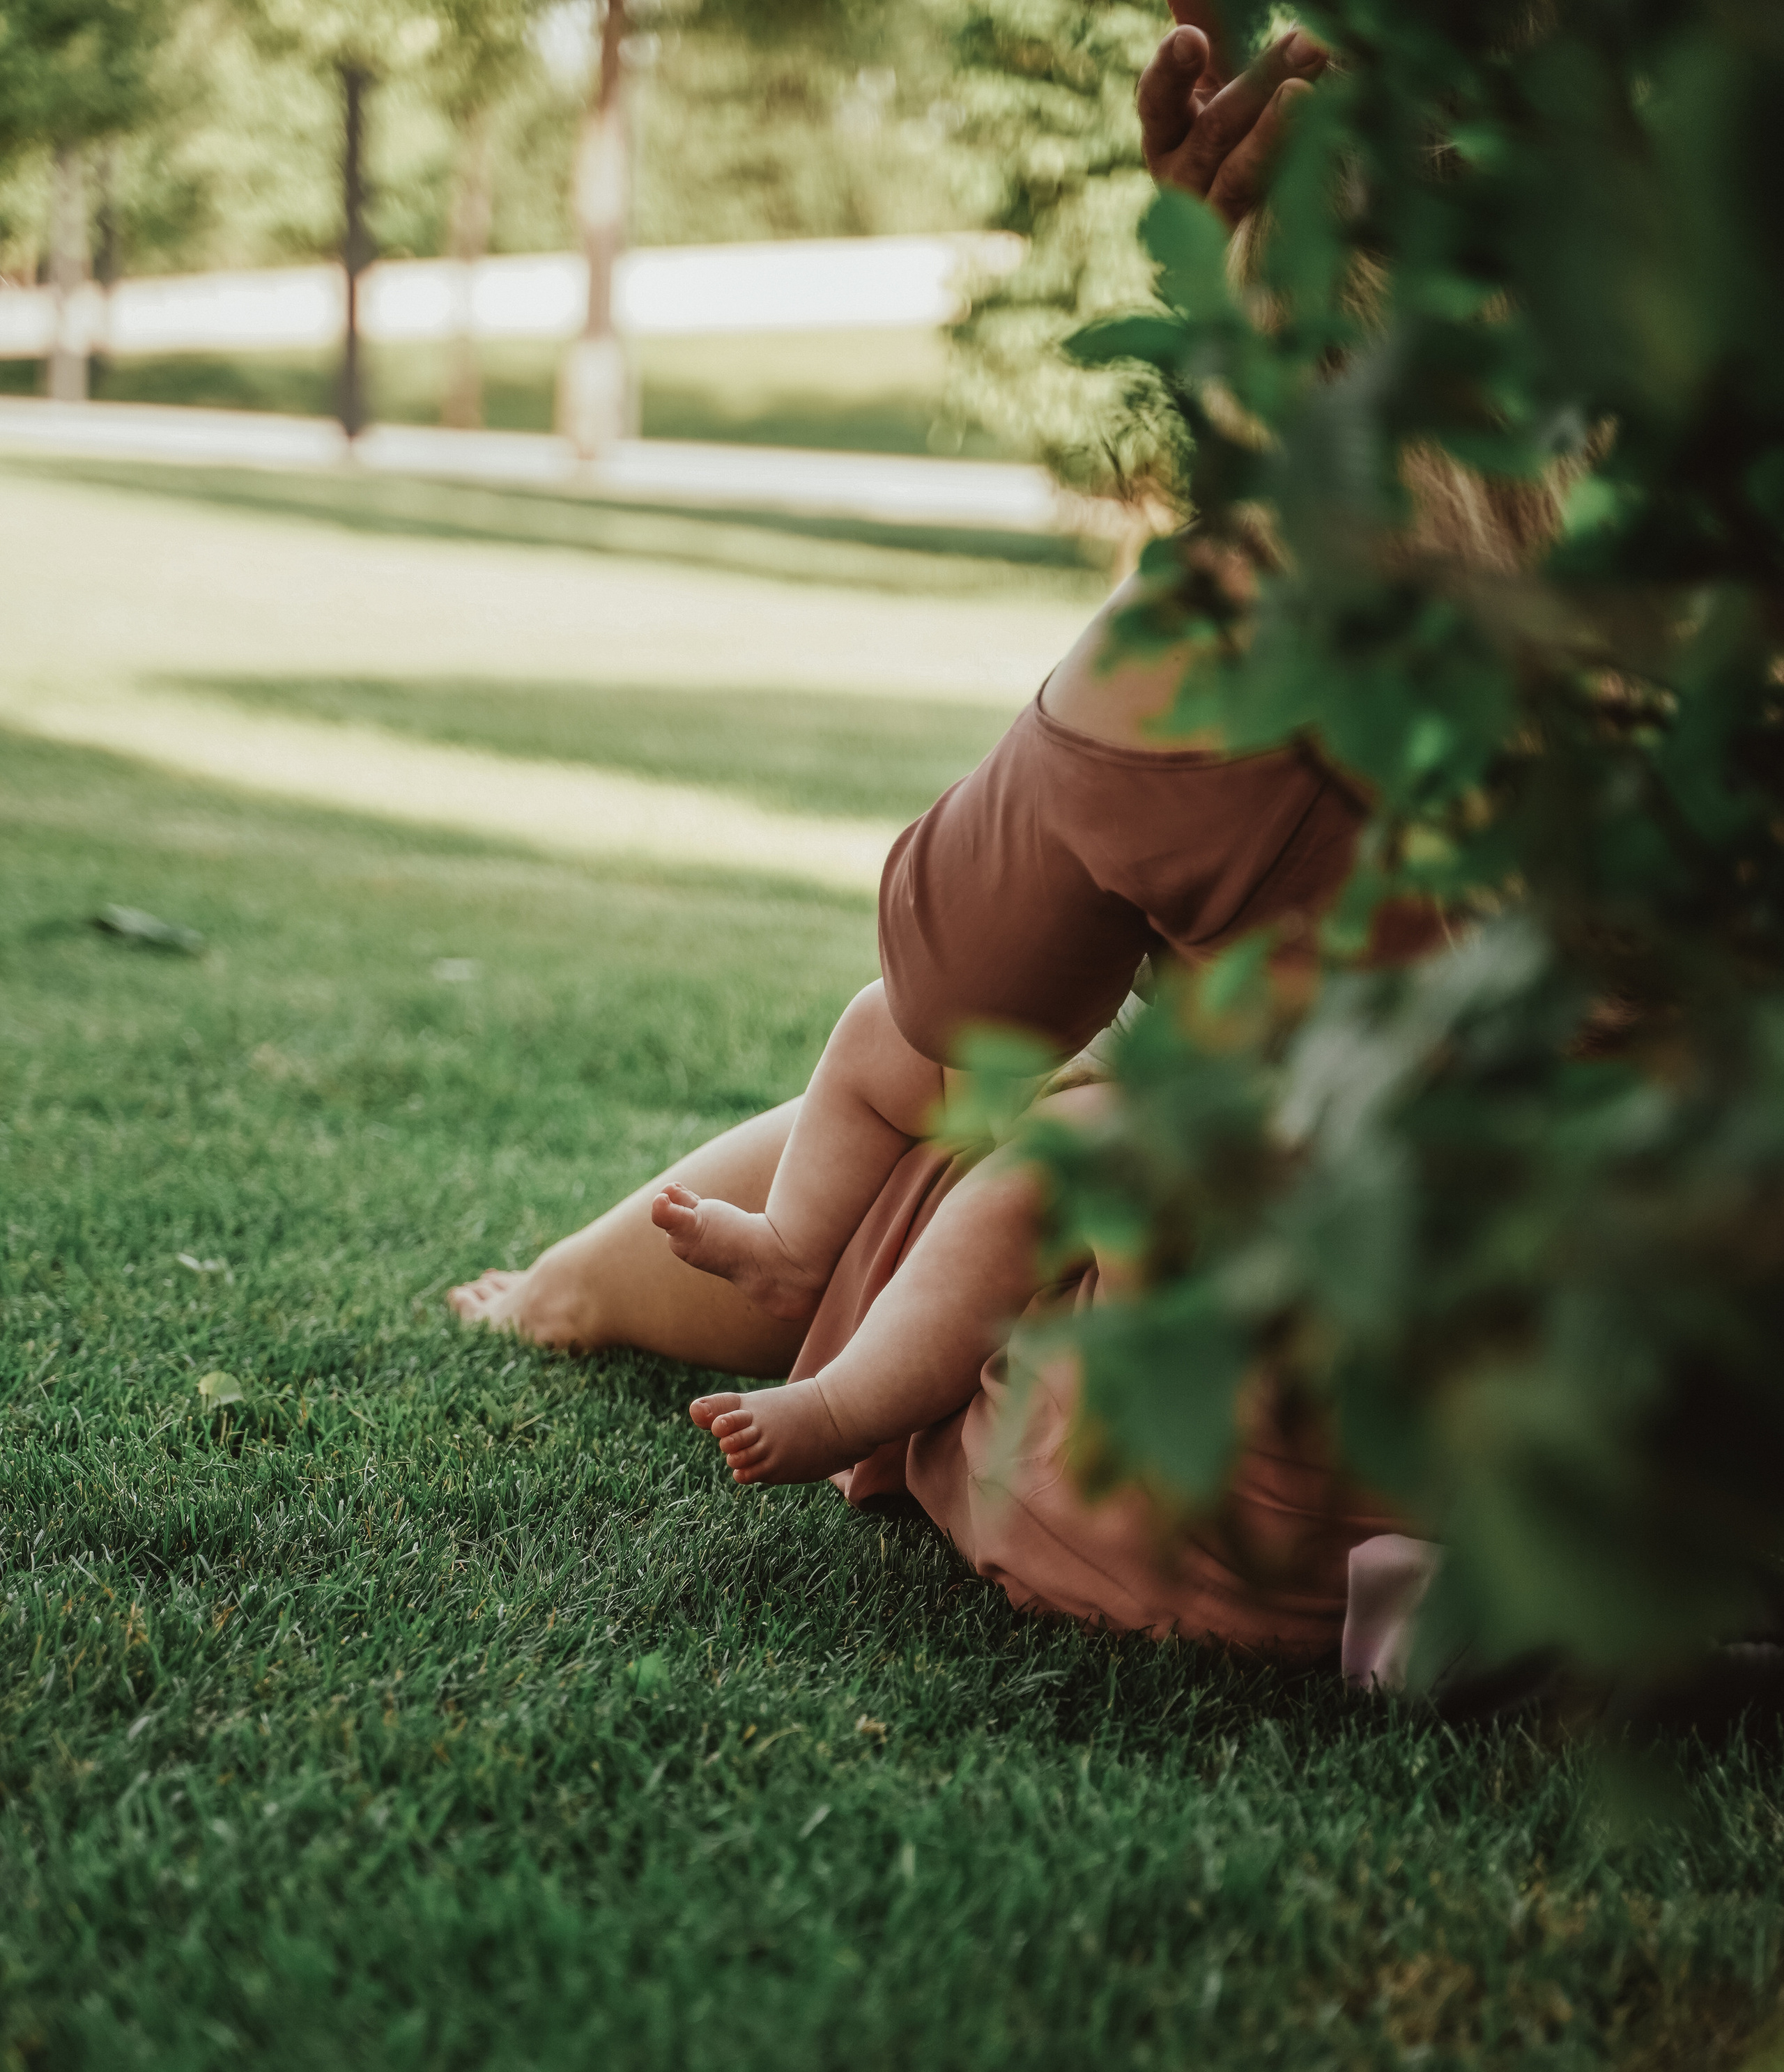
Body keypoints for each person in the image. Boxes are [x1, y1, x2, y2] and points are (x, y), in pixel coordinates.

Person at [448, 10, 1450, 1665]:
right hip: (1649, 1409)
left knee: (958, 1117)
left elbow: (951, 1010)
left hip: (1259, 1485)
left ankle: (601, 1294)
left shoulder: (1229, 643)